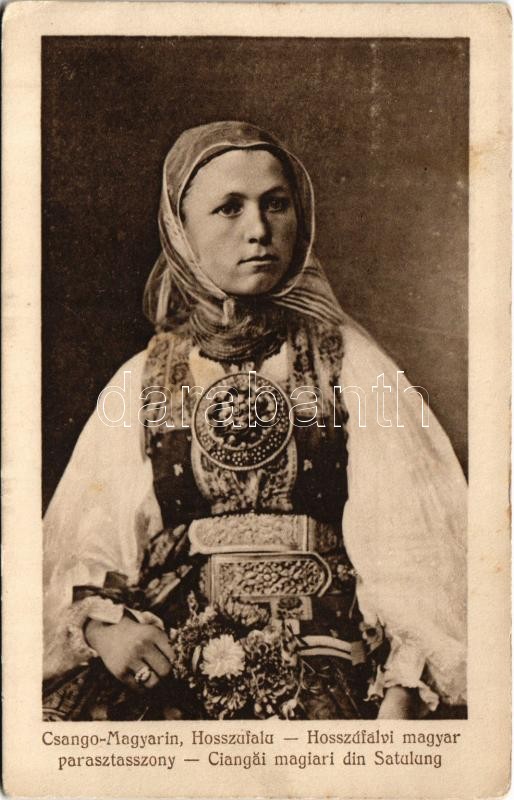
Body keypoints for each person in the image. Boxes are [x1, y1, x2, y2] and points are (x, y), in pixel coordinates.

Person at [42, 121, 467, 721]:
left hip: (328, 660)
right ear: (182, 231)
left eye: (276, 204)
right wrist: (105, 630)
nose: (259, 230)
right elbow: (86, 545)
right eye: (229, 208)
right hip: (177, 662)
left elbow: (411, 545)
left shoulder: (347, 363)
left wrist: (403, 688)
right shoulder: (144, 379)